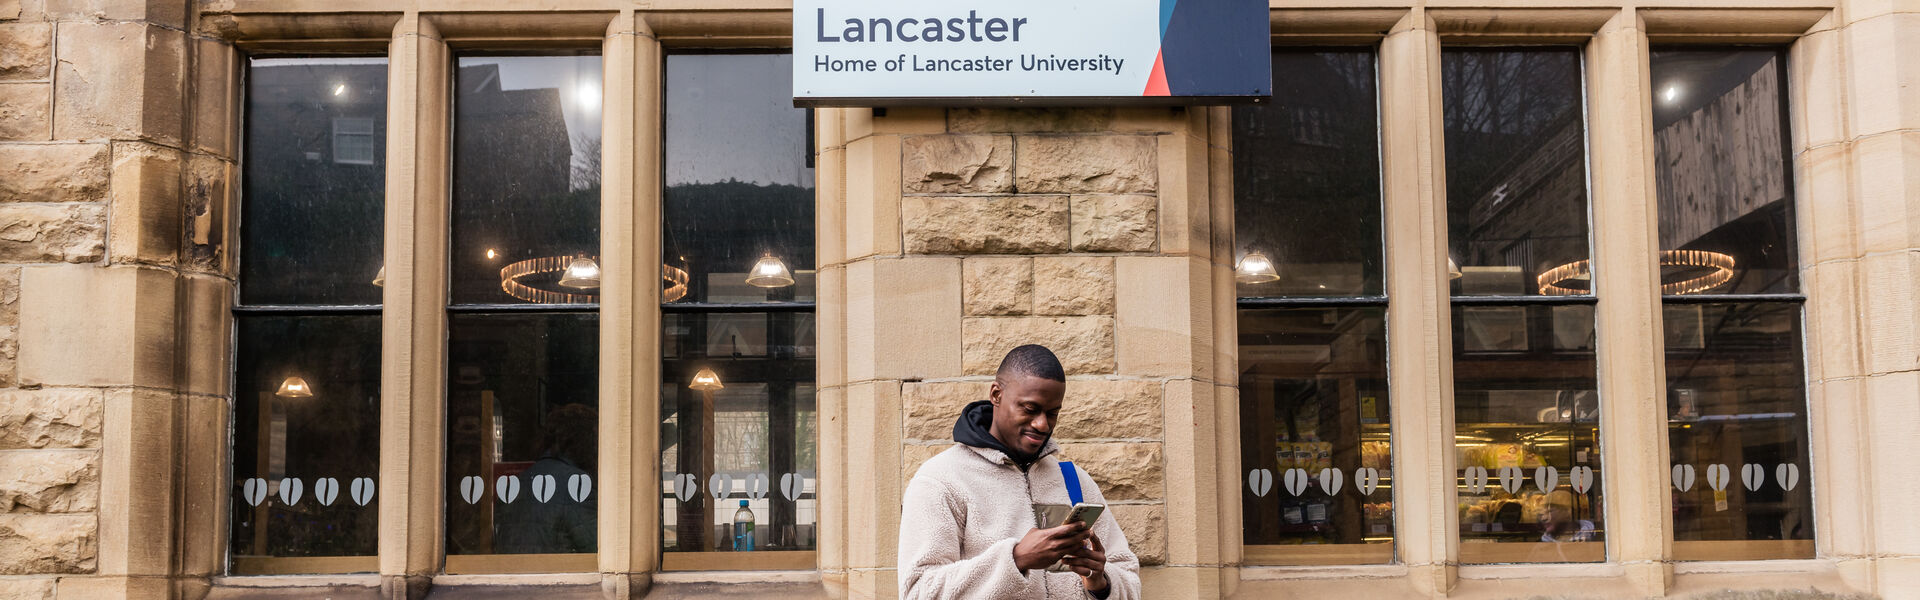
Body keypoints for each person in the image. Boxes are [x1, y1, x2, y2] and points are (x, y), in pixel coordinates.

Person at [898, 345, 1141, 600]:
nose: (1042, 424)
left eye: (1052, 413)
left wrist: (1101, 583)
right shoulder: (942, 479)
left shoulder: (1074, 480)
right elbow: (918, 591)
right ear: (996, 394)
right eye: (1030, 409)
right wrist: (1016, 559)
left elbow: (1129, 578)